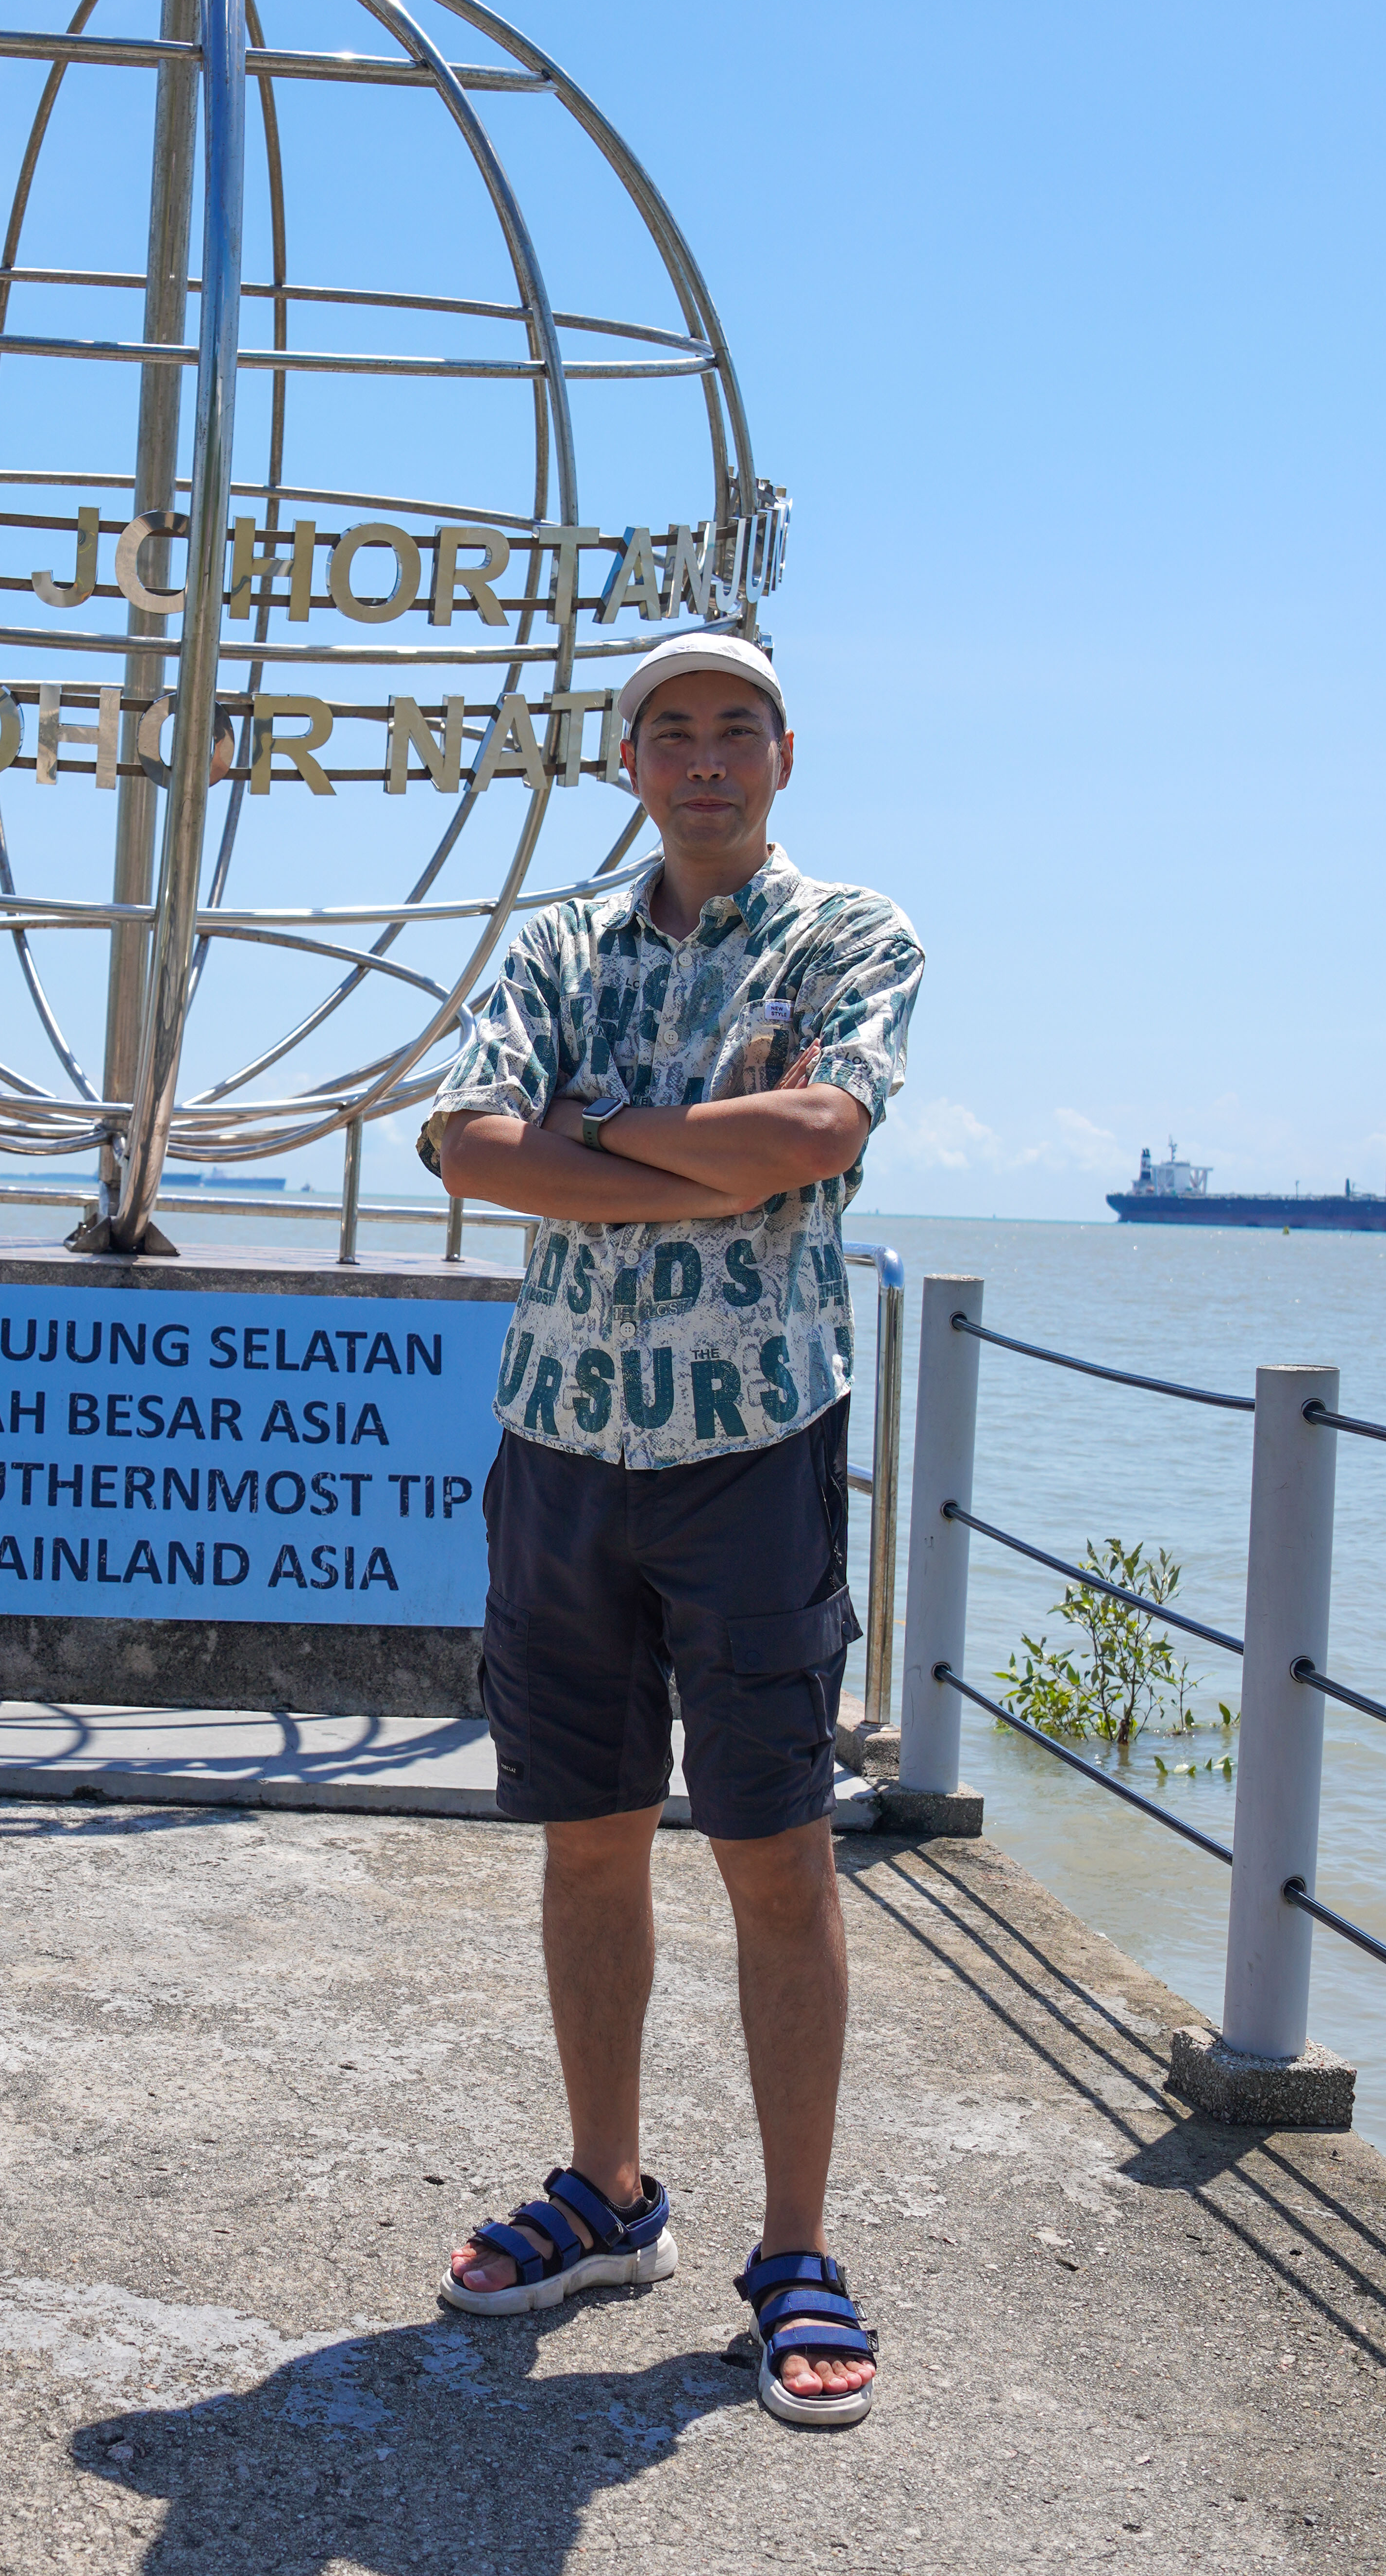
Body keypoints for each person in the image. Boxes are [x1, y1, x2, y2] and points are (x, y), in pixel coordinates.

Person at [422, 629, 921, 2428]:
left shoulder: (856, 938)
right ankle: (608, 2194)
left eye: (734, 729)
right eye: (669, 732)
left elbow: (814, 1133)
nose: (702, 757)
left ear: (782, 755)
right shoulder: (557, 943)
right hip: (560, 1444)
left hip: (755, 1451)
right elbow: (471, 1148)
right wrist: (701, 1155)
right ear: (627, 762)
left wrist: (613, 1125)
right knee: (589, 1842)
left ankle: (795, 2250)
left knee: (777, 1852)